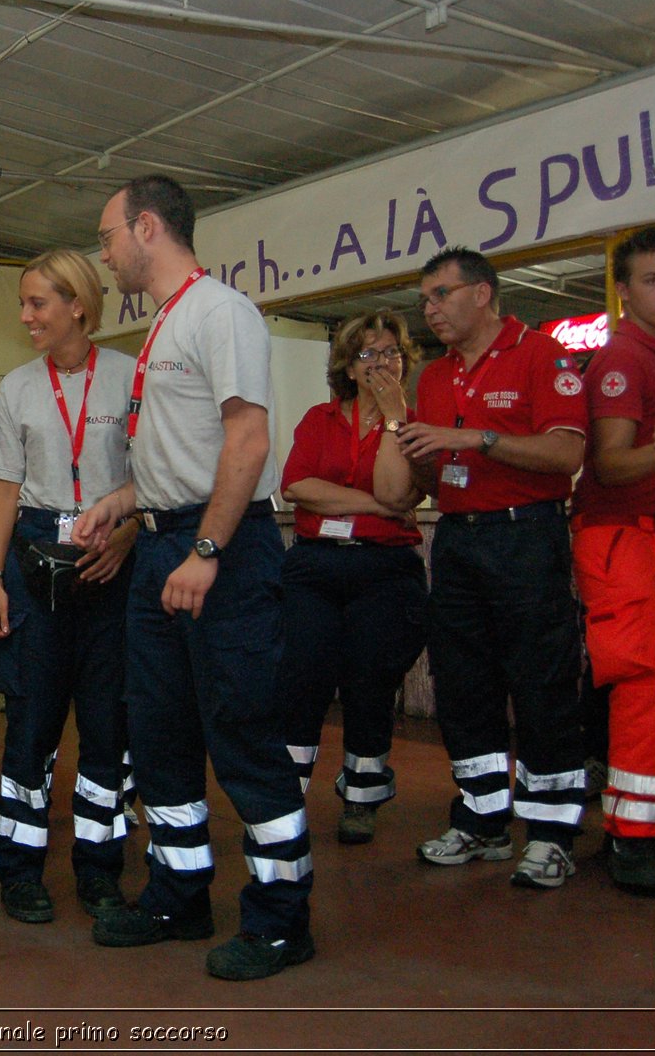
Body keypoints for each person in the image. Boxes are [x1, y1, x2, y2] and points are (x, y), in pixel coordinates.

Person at [74, 174, 314, 982]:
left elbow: (246, 442)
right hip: (163, 547)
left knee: (243, 735)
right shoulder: (165, 323)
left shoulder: (222, 313)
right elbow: (183, 459)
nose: (104, 255)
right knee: (161, 733)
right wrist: (120, 500)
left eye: (107, 237)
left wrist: (206, 554)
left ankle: (282, 922)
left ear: (146, 226)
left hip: (222, 553)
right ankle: (178, 893)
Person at [398, 245, 587, 889]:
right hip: (456, 539)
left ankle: (552, 835)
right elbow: (431, 477)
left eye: (441, 295)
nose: (431, 310)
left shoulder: (542, 356)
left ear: (481, 293)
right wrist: (415, 452)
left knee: (542, 682)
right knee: (462, 683)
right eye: (425, 299)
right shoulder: (432, 376)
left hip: (526, 537)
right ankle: (482, 823)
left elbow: (564, 454)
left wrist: (474, 438)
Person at [0, 249, 137, 923]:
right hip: (36, 557)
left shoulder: (132, 378)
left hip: (113, 555)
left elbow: (155, 473)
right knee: (31, 724)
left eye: (38, 303)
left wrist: (127, 533)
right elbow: (6, 489)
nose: (26, 316)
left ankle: (100, 871)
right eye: (23, 304)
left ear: (79, 304)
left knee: (106, 729)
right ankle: (20, 870)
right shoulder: (16, 385)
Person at [570, 226, 655, 892]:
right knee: (648, 680)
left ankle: (642, 826)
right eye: (654, 280)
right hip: (626, 536)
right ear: (622, 292)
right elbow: (610, 464)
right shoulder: (625, 358)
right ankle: (632, 838)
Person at [277, 310, 428, 846]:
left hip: (385, 568)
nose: (381, 363)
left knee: (370, 679)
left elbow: (402, 492)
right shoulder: (319, 419)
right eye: (368, 353)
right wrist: (379, 505)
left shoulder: (414, 425)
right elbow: (296, 485)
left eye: (391, 352)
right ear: (346, 363)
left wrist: (392, 419)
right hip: (316, 565)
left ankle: (362, 797)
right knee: (302, 675)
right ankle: (285, 792)